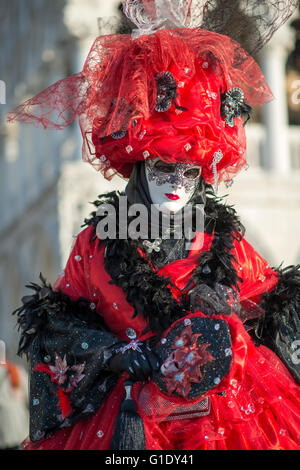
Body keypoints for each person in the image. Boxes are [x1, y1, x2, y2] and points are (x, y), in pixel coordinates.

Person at [7, 0, 300, 450]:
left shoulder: (227, 241)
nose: (176, 185)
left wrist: (230, 323)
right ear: (141, 168)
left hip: (219, 420)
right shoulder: (96, 242)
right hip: (126, 419)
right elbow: (58, 323)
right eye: (164, 169)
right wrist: (117, 354)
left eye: (188, 173)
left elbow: (273, 307)